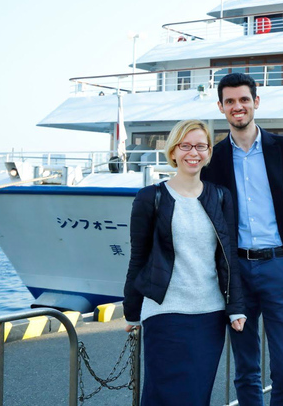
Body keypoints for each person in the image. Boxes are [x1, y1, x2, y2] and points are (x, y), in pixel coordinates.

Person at [202, 72, 283, 406]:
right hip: (236, 275)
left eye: (244, 99)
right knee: (246, 369)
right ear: (221, 107)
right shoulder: (212, 160)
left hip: (280, 269)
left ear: (255, 102)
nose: (237, 106)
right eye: (230, 101)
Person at [123, 120, 246, 406]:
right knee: (161, 394)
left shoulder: (220, 196)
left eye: (201, 146)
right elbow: (138, 258)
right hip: (165, 312)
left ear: (208, 152)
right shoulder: (149, 198)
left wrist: (236, 307)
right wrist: (132, 312)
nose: (194, 152)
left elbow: (228, 258)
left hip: (209, 314)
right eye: (186, 145)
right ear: (174, 151)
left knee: (196, 395)